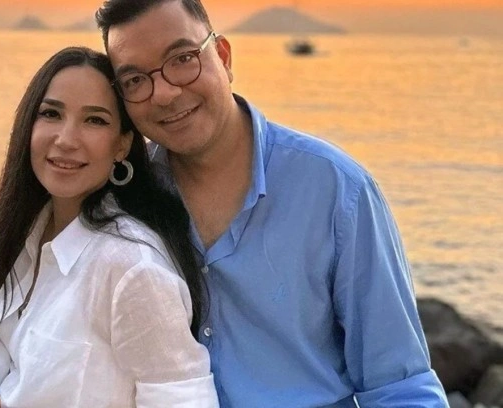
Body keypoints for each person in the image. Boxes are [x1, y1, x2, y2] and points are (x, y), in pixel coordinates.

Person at [92, 0, 450, 407]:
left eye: (183, 59)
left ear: (223, 56)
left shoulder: (336, 190)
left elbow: (401, 386)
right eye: (135, 80)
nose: (165, 92)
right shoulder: (125, 199)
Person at [0, 46, 219, 407]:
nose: (65, 139)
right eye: (51, 113)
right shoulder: (33, 230)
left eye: (94, 120)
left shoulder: (131, 269)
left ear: (122, 145)